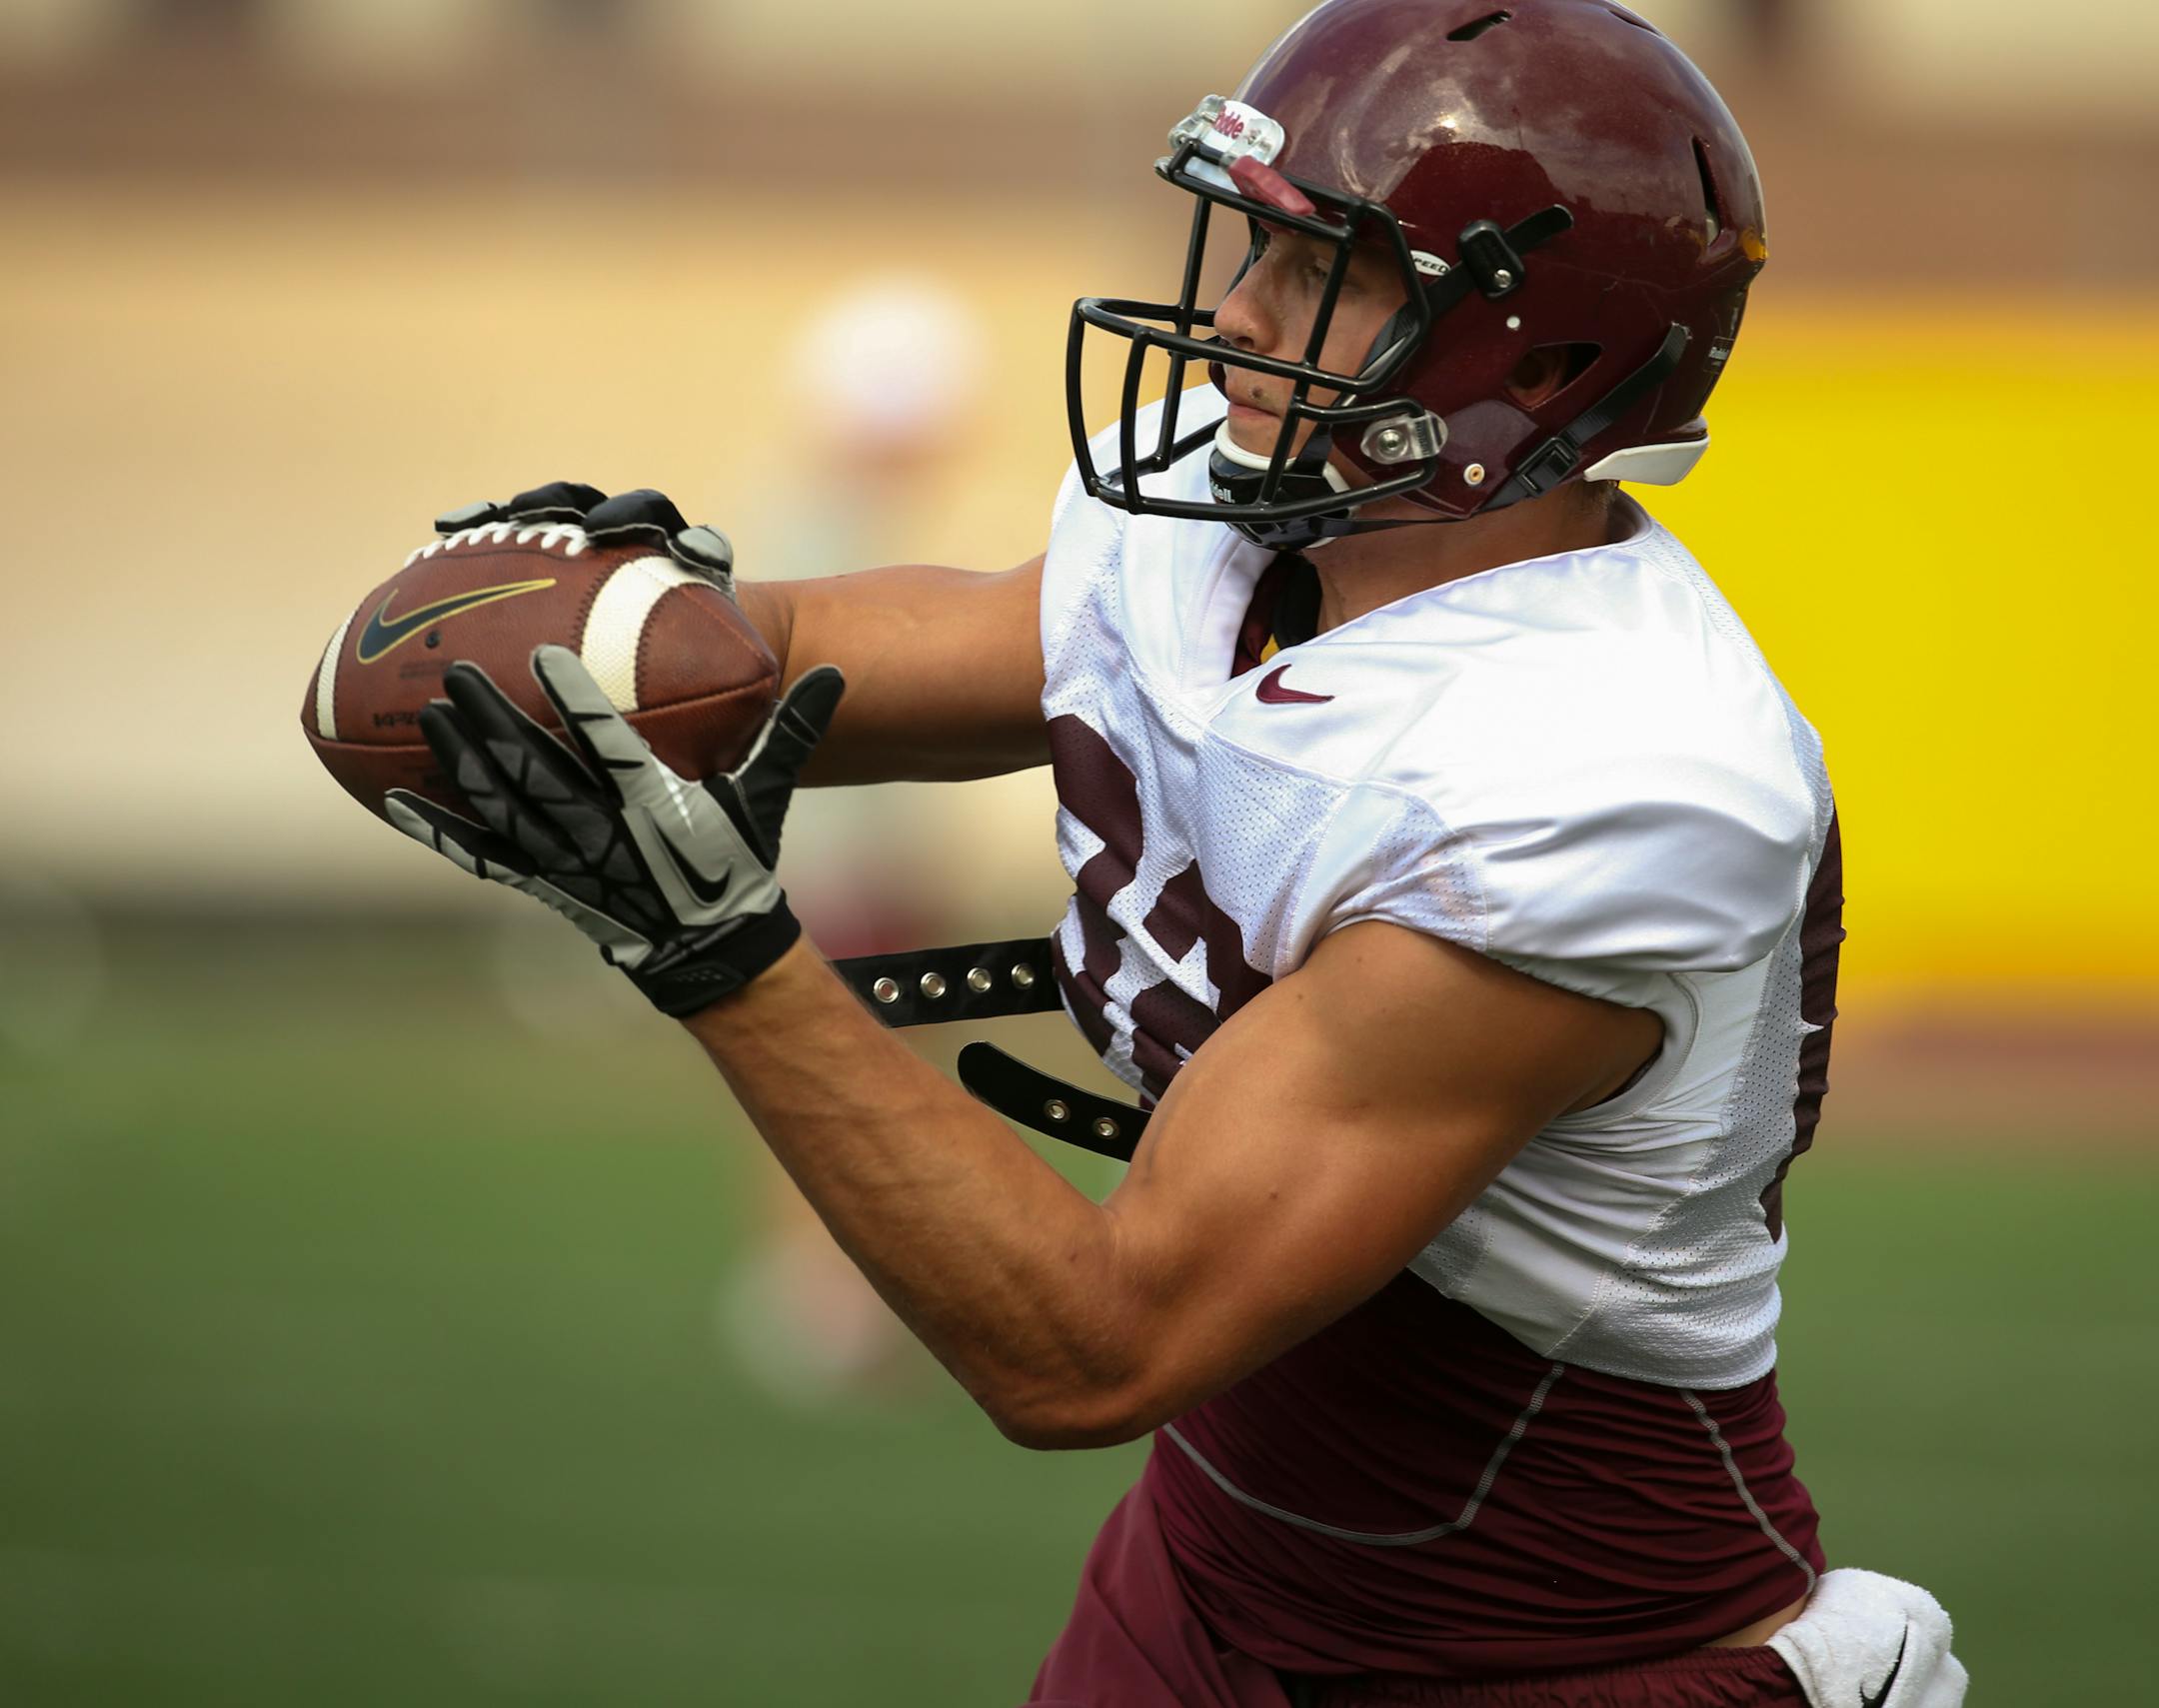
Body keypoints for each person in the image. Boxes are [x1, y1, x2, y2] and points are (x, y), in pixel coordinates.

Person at [379, 2, 1967, 1702]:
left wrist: (721, 958)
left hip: (1548, 1652)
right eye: (1253, 246)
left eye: (1320, 271)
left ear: (1536, 368)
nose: (1233, 318)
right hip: (1211, 1569)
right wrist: (615, 641)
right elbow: (924, 643)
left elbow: (1093, 1345)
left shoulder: (1604, 770)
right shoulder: (1242, 517)